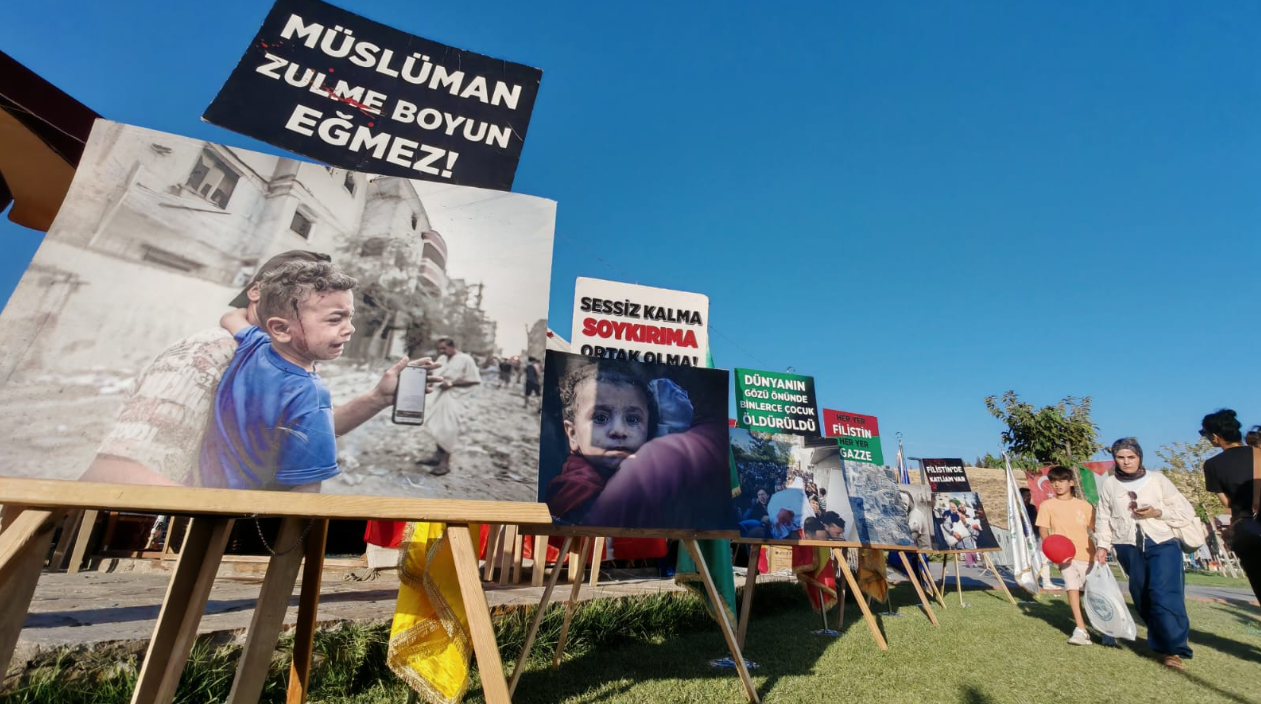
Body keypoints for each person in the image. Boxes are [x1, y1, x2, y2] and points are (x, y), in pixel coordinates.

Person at [79, 250, 418, 488]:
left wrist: (376, 398)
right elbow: (113, 472)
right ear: (257, 291)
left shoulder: (278, 354)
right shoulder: (209, 351)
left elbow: (296, 434)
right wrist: (229, 518)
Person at [198, 260, 362, 491]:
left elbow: (231, 317)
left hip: (207, 490)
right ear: (281, 329)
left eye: (349, 317)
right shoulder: (312, 397)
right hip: (251, 507)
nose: (350, 328)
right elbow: (306, 491)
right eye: (335, 319)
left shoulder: (255, 345)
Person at [1095, 437, 1198, 670]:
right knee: (1141, 595)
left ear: (1139, 456)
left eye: (1131, 457)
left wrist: (1157, 512)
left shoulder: (1157, 479)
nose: (1126, 461)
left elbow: (1184, 510)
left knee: (1165, 593)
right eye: (1120, 457)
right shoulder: (1110, 484)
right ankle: (1161, 636)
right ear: (1114, 459)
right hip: (1127, 544)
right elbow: (1103, 516)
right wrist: (1102, 545)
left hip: (1163, 541)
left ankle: (1173, 649)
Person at [545, 361, 653, 523]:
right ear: (573, 434)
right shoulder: (578, 488)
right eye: (600, 417)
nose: (619, 430)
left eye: (632, 419)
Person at [1201, 410, 1261, 603]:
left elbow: (1227, 503)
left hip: (1248, 532)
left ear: (1215, 437)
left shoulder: (1212, 465)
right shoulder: (1258, 453)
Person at [1036, 465, 1096, 645]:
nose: (1058, 485)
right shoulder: (1047, 505)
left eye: (1062, 480)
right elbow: (1043, 529)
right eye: (1054, 481)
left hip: (1087, 554)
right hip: (1065, 556)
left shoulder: (1084, 506)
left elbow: (1096, 529)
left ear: (1071, 482)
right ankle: (1081, 629)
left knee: (1092, 593)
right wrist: (1052, 550)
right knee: (1072, 588)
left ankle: (1104, 627)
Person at [417, 338, 482, 477]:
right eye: (440, 348)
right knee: (438, 427)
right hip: (440, 396)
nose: (442, 351)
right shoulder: (442, 359)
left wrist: (452, 384)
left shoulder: (465, 359)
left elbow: (475, 380)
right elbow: (437, 375)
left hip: (455, 398)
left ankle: (445, 463)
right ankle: (436, 457)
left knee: (449, 429)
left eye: (444, 348)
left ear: (452, 347)